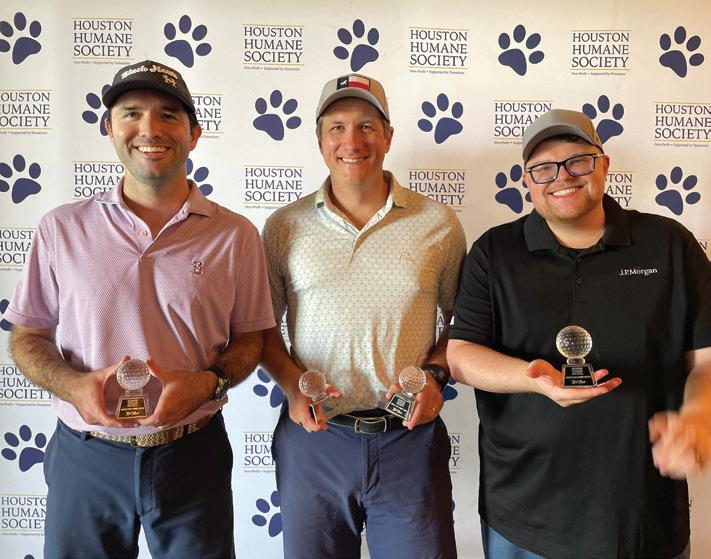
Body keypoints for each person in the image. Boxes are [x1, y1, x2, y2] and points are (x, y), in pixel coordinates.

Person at [6, 59, 275, 559]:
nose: (149, 129)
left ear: (194, 134)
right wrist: (72, 387)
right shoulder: (60, 229)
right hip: (85, 455)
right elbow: (28, 336)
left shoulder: (235, 235)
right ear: (109, 128)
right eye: (131, 113)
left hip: (192, 454)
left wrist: (207, 383)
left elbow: (250, 338)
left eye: (168, 115)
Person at [447, 108, 711, 559]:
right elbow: (461, 355)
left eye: (578, 161)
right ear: (527, 181)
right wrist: (533, 379)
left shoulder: (669, 243)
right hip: (524, 515)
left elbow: (705, 359)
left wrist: (699, 417)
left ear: (603, 165)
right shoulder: (494, 252)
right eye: (543, 168)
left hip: (641, 514)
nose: (562, 177)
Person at [260, 73, 466, 559]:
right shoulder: (284, 226)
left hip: (408, 440)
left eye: (367, 126)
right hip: (314, 441)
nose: (352, 142)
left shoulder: (438, 223)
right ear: (319, 140)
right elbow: (261, 328)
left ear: (388, 136)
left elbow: (463, 324)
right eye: (336, 127)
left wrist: (434, 376)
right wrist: (292, 385)